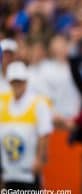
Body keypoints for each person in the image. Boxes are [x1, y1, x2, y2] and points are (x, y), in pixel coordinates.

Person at [0, 61, 53, 189]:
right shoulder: (3, 102)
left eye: (20, 81)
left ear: (26, 81)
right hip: (8, 169)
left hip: (28, 170)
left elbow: (44, 134)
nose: (17, 85)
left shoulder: (38, 103)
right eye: (14, 81)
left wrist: (40, 159)